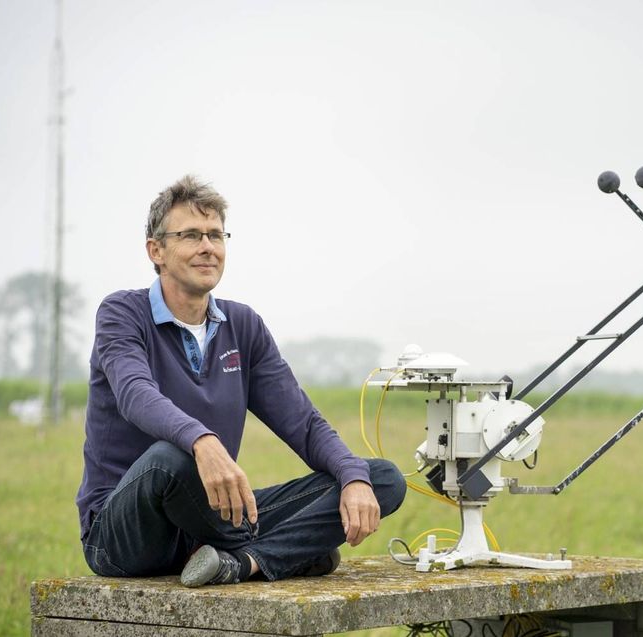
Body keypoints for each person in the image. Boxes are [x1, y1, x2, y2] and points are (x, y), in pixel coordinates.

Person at [76, 175, 406, 586]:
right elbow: (135, 394)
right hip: (122, 533)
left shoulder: (243, 325)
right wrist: (202, 441)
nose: (208, 248)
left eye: (216, 235)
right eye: (191, 235)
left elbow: (302, 424)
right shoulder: (122, 314)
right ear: (155, 250)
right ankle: (291, 550)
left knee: (381, 478)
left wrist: (352, 478)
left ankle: (244, 562)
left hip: (209, 526)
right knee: (169, 460)